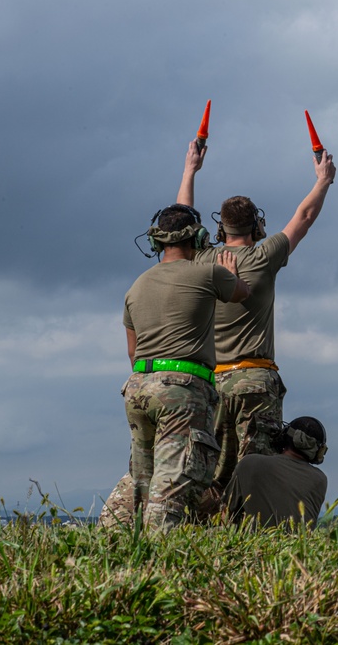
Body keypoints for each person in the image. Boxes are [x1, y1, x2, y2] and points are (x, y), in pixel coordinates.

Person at [177, 138, 336, 491]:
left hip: (213, 381)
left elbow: (182, 221)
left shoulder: (203, 260)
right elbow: (305, 217)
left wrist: (190, 169)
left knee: (213, 471)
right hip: (256, 380)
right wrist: (323, 179)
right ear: (255, 226)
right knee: (257, 471)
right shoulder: (265, 257)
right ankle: (253, 535)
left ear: (222, 228)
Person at [120, 203, 250, 531]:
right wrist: (230, 272)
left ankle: (120, 548)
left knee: (142, 483)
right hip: (182, 390)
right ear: (200, 237)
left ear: (156, 242)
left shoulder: (135, 287)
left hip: (137, 388)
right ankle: (159, 568)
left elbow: (133, 354)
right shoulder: (208, 273)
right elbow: (241, 293)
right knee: (170, 490)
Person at [223, 416, 329, 528]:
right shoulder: (320, 479)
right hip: (299, 545)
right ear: (318, 451)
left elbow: (227, 511)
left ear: (285, 436)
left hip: (258, 544)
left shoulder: (249, 463)